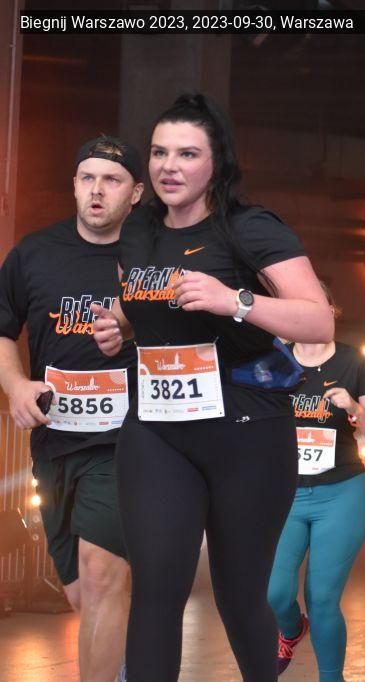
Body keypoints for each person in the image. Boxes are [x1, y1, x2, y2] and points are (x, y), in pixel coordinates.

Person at [91, 93, 333, 681]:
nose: (168, 166)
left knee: (239, 596)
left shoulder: (249, 227)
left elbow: (318, 320)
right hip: (157, 431)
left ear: (217, 161)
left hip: (246, 432)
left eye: (187, 154)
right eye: (159, 153)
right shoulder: (138, 230)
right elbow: (146, 305)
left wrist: (236, 301)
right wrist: (119, 325)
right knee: (156, 588)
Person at [0, 136, 143, 682]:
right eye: (87, 178)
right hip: (55, 443)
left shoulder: (151, 257)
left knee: (103, 575)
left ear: (136, 193)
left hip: (125, 441)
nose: (97, 190)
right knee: (84, 591)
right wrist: (16, 385)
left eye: (111, 180)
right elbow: (2, 328)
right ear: (75, 186)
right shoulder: (35, 253)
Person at [268, 282, 365, 680]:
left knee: (321, 599)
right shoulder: (273, 358)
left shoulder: (355, 363)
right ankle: (291, 629)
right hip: (284, 495)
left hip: (341, 494)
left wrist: (355, 408)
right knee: (275, 593)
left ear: (331, 310)